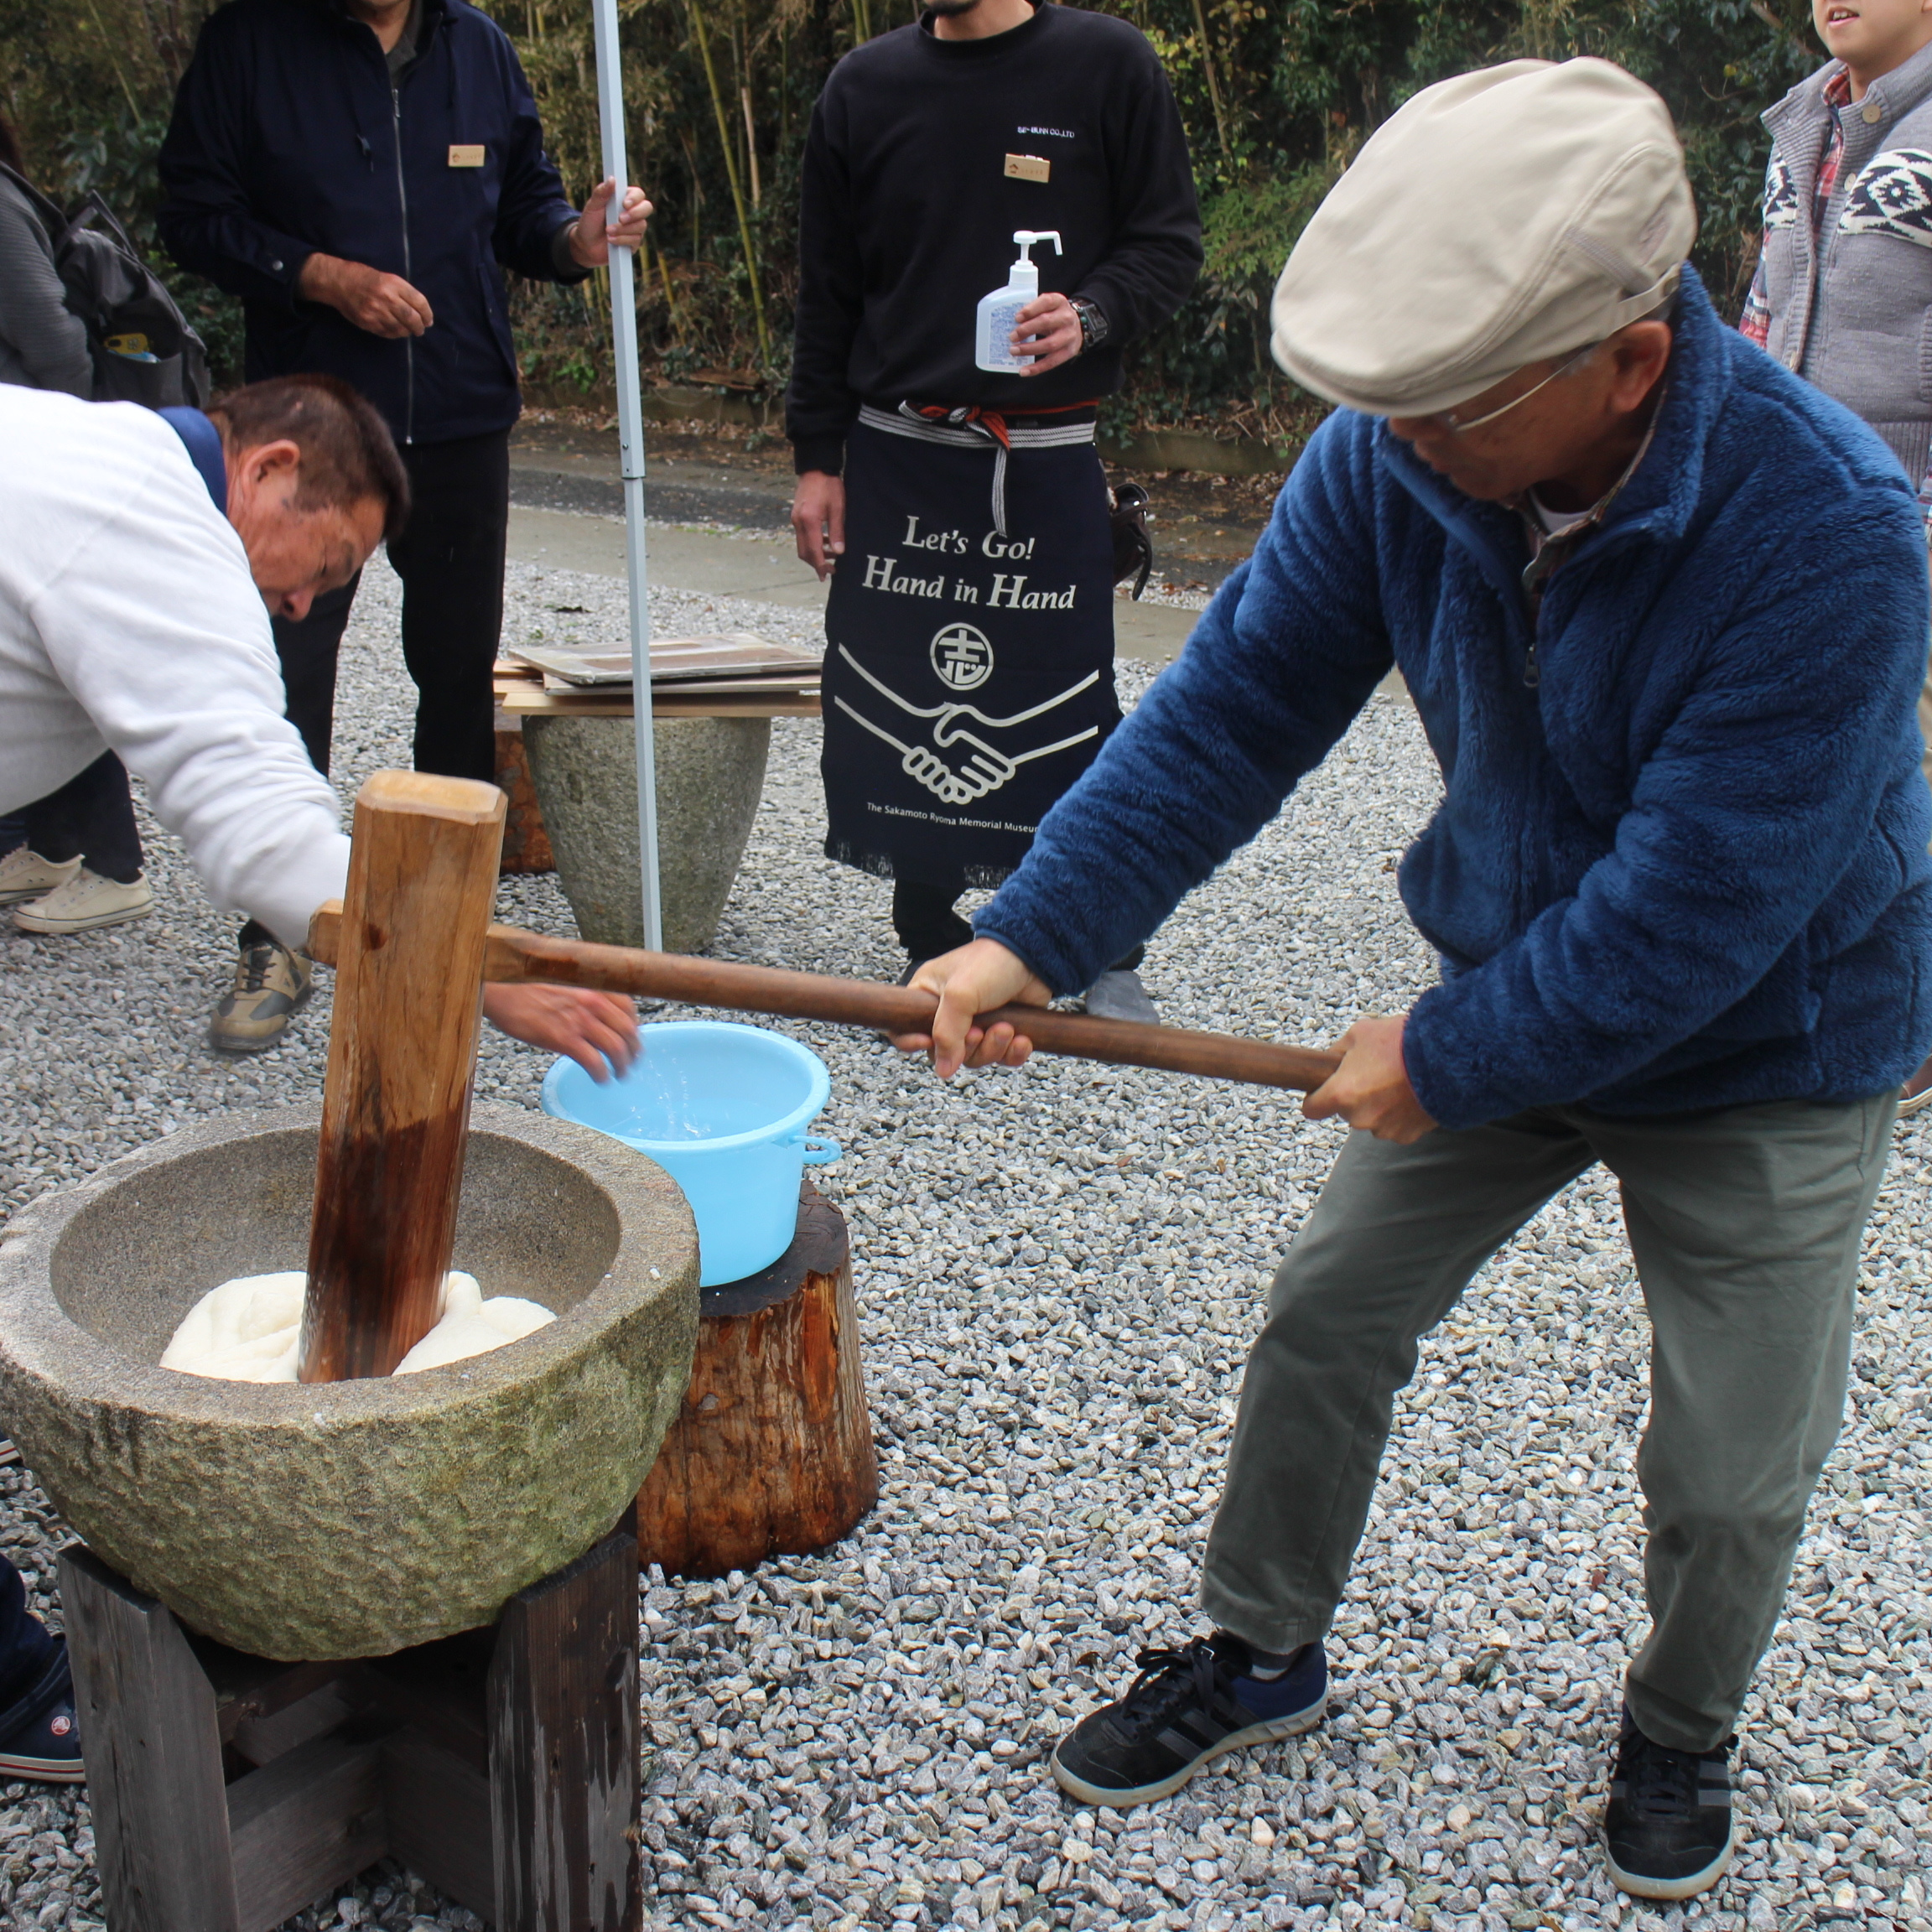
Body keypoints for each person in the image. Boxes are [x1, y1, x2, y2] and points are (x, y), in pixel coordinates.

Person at [896, 59, 1932, 1905]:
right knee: (1328, 1317)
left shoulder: (1834, 530)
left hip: (1780, 1035)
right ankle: (1259, 1646)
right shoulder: (1405, 454)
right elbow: (1229, 712)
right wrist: (1033, 929)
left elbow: (1700, 912)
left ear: (1626, 359)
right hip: (1518, 983)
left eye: (1448, 406)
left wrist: (1446, 1052)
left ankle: (1682, 1728)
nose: (1399, 438)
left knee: (1730, 1461)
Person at [156, 0, 648, 1051]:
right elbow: (193, 215)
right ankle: (281, 929)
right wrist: (317, 275)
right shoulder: (252, 42)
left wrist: (576, 237)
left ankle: (448, 929)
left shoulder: (477, 46)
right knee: (291, 660)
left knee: (457, 671)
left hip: (462, 405)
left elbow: (527, 215)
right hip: (316, 416)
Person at [786, 0, 1201, 1015]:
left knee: (1064, 697)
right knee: (897, 691)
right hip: (898, 457)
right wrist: (815, 456)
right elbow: (829, 293)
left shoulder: (1107, 65)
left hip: (1045, 457)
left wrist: (1090, 311)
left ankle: (1102, 939)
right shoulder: (864, 87)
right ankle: (931, 932)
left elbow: (1168, 243)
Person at [1741, 0, 1932, 1119]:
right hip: (1803, 501)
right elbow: (1770, 306)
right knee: (1825, 748)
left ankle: (1908, 1011)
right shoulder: (1807, 123)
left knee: (1899, 754)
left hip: (1911, 507)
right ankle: (1820, 982)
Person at [0, 108, 153, 937]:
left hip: (33, 473)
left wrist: (37, 447)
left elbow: (60, 348)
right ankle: (55, 845)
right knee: (23, 658)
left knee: (58, 661)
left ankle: (114, 865)